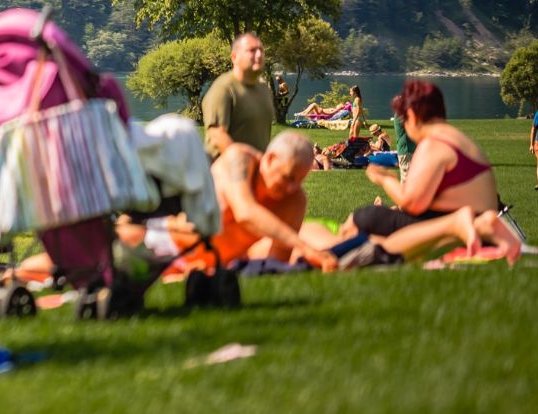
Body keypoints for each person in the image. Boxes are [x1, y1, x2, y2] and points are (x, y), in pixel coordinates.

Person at [119, 133, 337, 272]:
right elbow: (245, 211)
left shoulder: (294, 200)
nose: (291, 188)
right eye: (288, 177)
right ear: (270, 159)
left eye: (298, 181)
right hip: (161, 242)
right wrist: (304, 247)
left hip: (213, 267)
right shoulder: (239, 159)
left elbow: (275, 263)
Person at [342, 81, 517, 252]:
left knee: (365, 219)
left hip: (462, 226)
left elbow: (411, 203)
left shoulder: (433, 144)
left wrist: (385, 180)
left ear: (412, 115)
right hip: (468, 218)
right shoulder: (461, 141)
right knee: (372, 234)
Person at [202, 33, 274, 158]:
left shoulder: (263, 89)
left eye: (261, 50)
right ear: (234, 57)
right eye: (252, 50)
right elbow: (217, 135)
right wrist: (248, 161)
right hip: (225, 173)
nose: (259, 55)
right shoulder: (223, 88)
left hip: (256, 173)